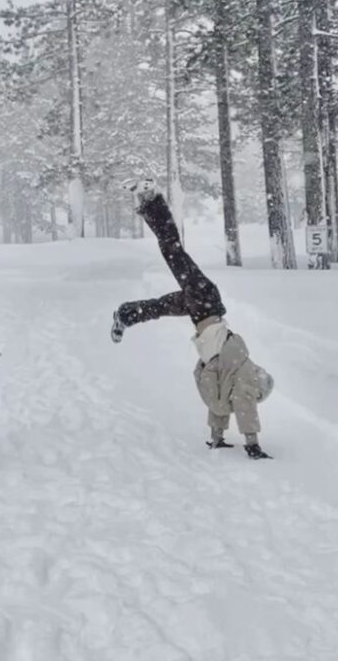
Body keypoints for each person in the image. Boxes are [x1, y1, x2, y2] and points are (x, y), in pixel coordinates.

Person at [111, 180, 274, 459]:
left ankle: (125, 314)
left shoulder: (229, 377)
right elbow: (241, 408)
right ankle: (151, 200)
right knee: (173, 252)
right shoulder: (243, 378)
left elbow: (217, 404)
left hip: (203, 309)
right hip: (206, 303)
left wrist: (216, 438)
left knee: (161, 303)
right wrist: (252, 445)